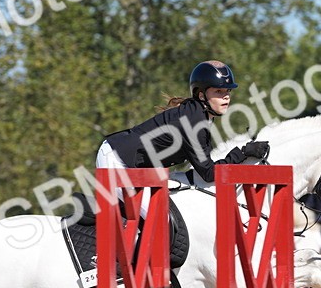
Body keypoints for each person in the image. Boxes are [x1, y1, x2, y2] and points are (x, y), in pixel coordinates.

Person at [97, 61, 267, 207]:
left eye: (228, 91)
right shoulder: (194, 122)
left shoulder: (200, 115)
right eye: (219, 92)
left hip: (132, 163)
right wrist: (243, 153)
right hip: (117, 161)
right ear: (201, 95)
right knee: (158, 216)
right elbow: (208, 173)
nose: (226, 97)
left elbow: (207, 165)